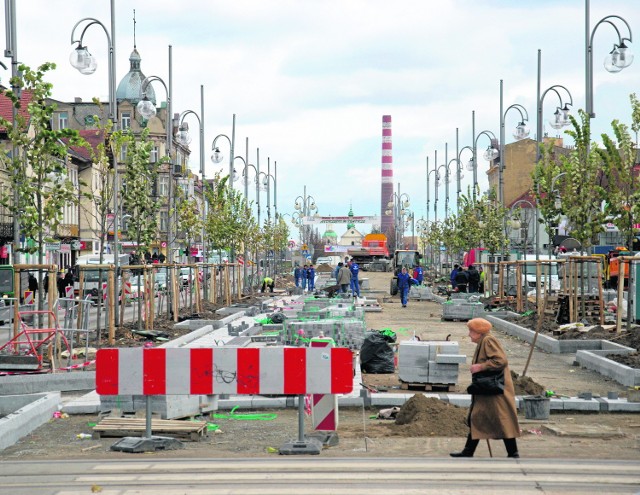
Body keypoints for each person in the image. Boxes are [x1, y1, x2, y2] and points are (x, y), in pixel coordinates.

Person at [450, 318, 520, 459]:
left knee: (500, 419)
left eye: (471, 331)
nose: (469, 334)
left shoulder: (488, 341)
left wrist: (480, 366)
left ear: (478, 332)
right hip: (488, 390)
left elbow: (500, 361)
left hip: (495, 391)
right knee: (479, 418)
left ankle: (513, 452)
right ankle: (469, 451)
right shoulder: (484, 341)